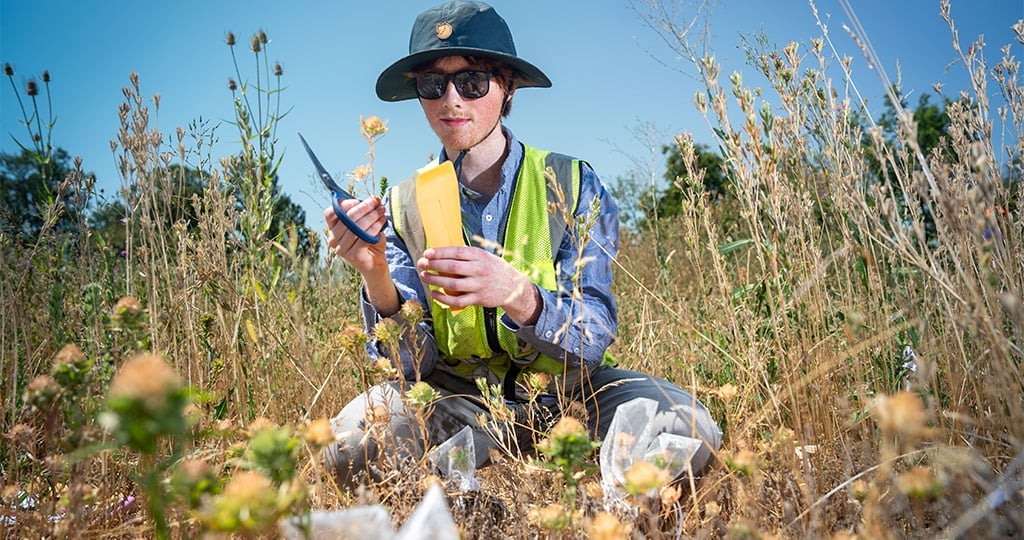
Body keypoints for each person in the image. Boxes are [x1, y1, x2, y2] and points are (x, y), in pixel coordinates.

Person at [323, 0, 721, 489]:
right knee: (349, 445)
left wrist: (519, 295)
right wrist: (376, 275)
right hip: (462, 402)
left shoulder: (573, 184)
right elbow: (408, 368)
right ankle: (472, 494)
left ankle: (607, 506)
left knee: (687, 427)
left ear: (507, 86)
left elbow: (592, 337)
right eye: (433, 84)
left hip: (574, 396)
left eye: (472, 82)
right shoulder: (401, 205)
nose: (452, 100)